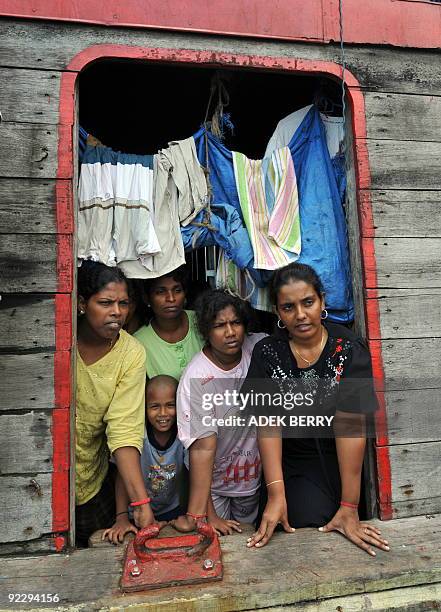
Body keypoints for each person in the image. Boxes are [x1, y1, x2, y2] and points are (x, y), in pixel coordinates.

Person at [244, 262, 390, 557]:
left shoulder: (347, 349)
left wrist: (349, 506)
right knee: (297, 531)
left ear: (322, 301)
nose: (300, 315)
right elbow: (267, 425)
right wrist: (276, 493)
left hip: (343, 463)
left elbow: (351, 426)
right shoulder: (268, 353)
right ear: (277, 312)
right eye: (288, 307)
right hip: (291, 463)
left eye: (308, 302)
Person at [173, 289, 266, 536]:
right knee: (218, 543)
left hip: (251, 479)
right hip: (212, 487)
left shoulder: (258, 348)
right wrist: (208, 514)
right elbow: (201, 448)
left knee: (249, 538)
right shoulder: (197, 377)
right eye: (219, 326)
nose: (230, 332)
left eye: (235, 322)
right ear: (206, 331)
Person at [75, 261, 154, 546]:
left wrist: (141, 504)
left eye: (123, 303)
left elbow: (123, 431)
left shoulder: (131, 354)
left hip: (91, 484)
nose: (117, 313)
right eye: (105, 303)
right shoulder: (57, 338)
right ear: (82, 303)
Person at [103, 375, 187, 544]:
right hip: (138, 511)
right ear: (144, 407)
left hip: (173, 511)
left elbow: (192, 473)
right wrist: (121, 518)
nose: (163, 413)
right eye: (155, 407)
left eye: (170, 405)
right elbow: (122, 476)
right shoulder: (137, 437)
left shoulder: (184, 435)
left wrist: (189, 514)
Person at [134, 266, 204, 380]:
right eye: (161, 292)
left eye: (177, 290)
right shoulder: (138, 343)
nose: (171, 298)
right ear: (147, 298)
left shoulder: (202, 320)